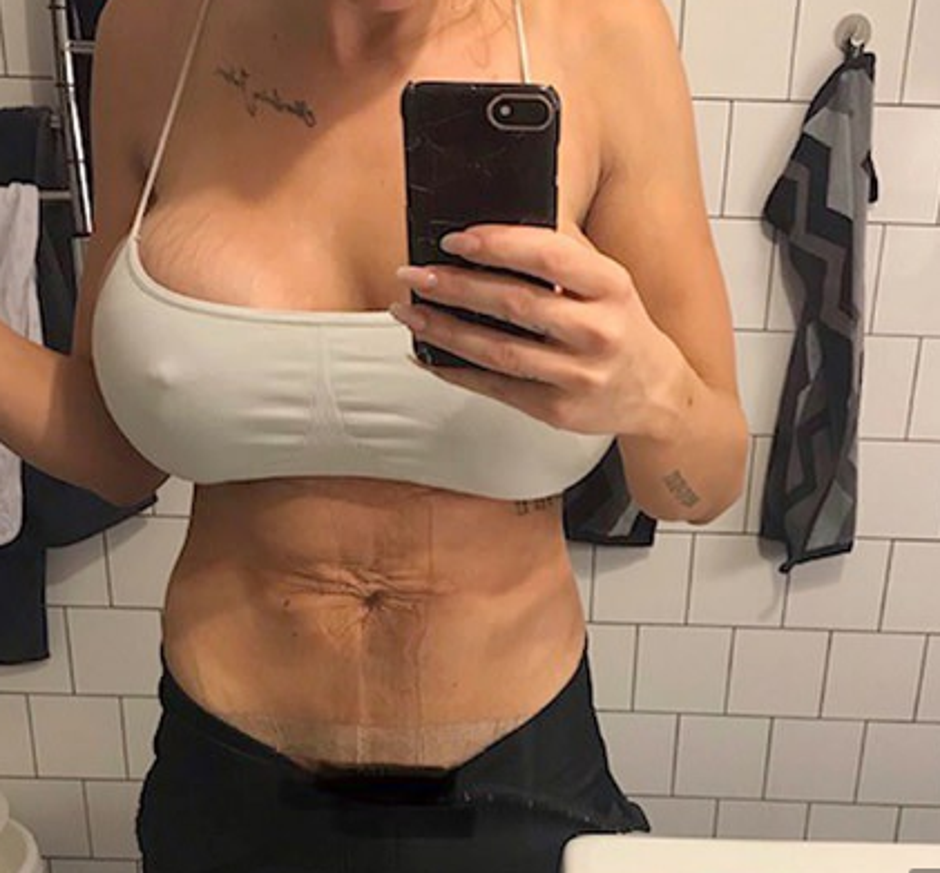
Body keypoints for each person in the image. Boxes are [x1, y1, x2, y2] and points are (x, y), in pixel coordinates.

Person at [0, 0, 749, 868]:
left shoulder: (603, 31)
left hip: (515, 780)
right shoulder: (157, 29)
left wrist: (651, 393)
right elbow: (114, 449)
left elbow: (702, 480)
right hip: (227, 783)